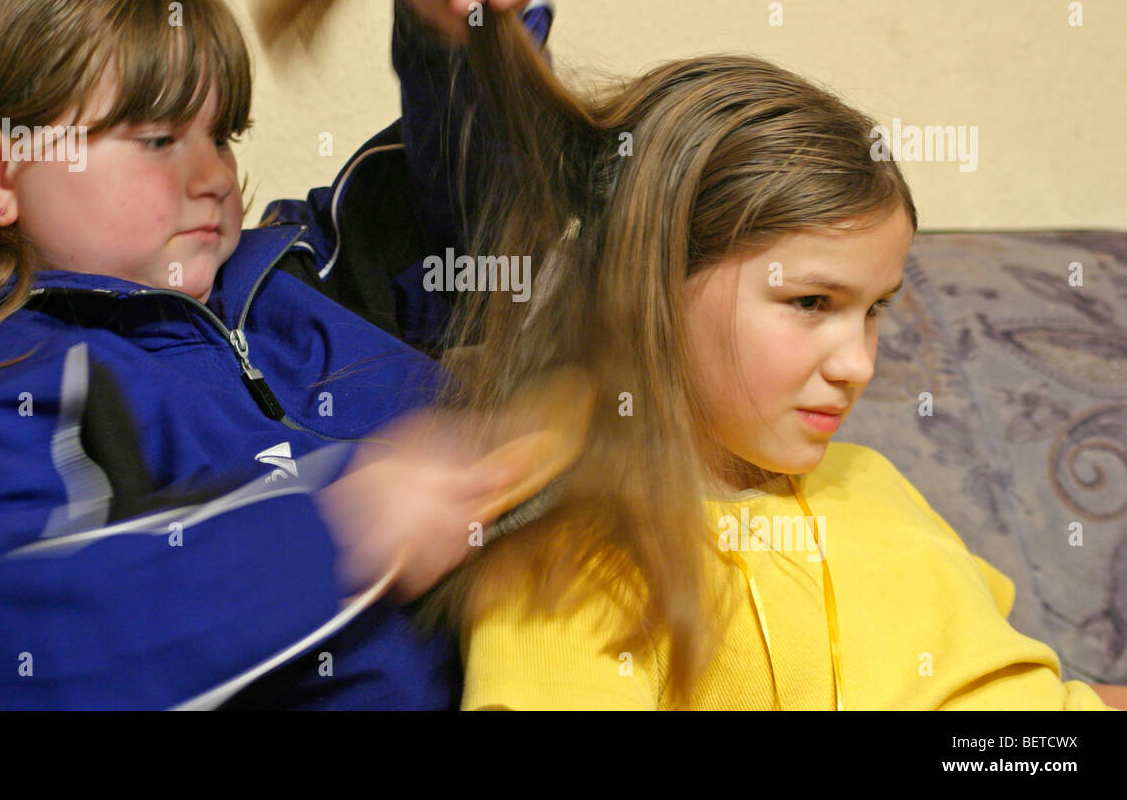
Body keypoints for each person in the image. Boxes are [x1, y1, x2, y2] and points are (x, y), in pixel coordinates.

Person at [0, 0, 552, 709]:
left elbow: (474, 237)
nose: (214, 175)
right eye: (160, 137)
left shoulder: (295, 268)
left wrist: (463, 47)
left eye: (225, 134)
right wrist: (339, 533)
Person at [428, 37, 1123, 709]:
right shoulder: (574, 567)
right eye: (810, 303)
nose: (859, 365)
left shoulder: (876, 486)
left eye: (875, 309)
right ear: (649, 286)